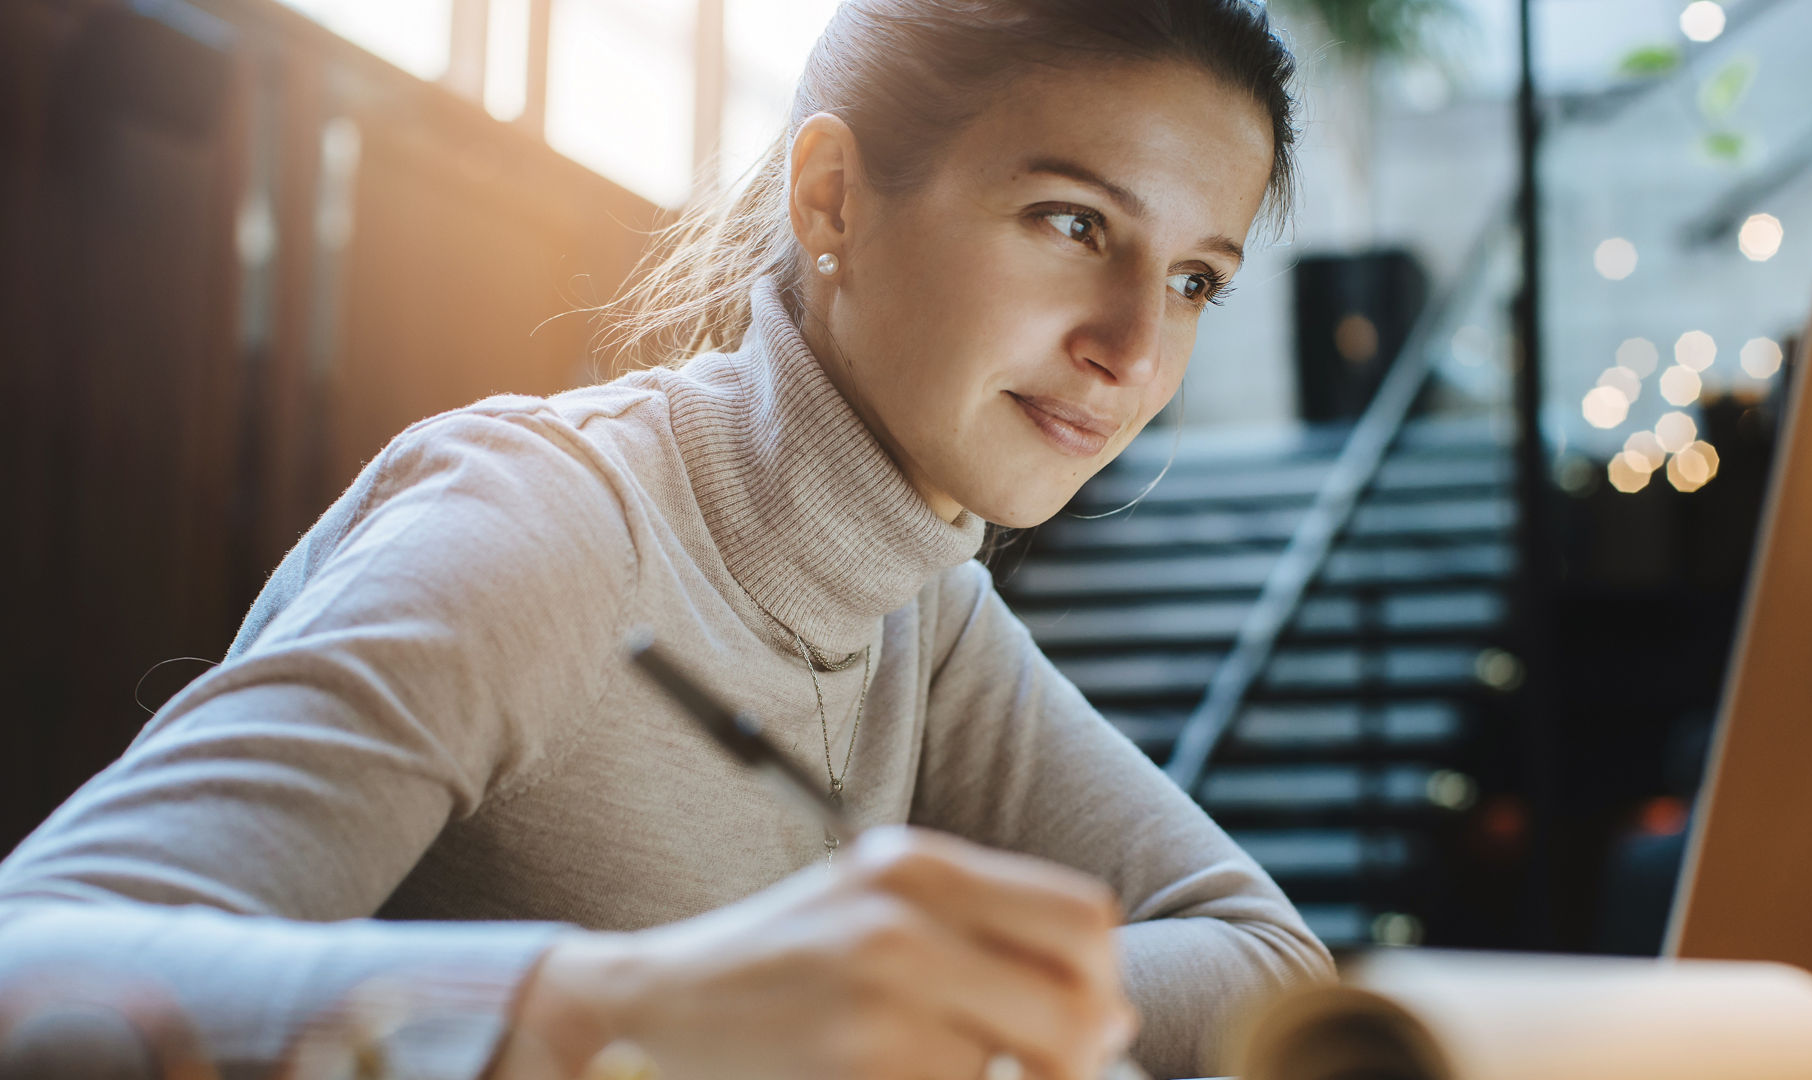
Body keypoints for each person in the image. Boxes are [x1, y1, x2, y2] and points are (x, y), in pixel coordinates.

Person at [0, 1, 1333, 1077]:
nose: (1135, 351)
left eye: (1194, 280)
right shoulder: (549, 523)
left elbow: (1266, 963)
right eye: (1072, 222)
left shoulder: (925, 613)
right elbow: (36, 958)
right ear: (833, 204)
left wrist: (913, 1001)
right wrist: (625, 1006)